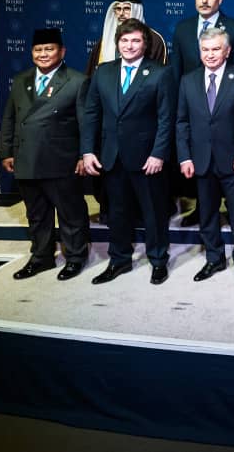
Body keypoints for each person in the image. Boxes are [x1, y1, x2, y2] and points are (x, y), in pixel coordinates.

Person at [81, 19, 177, 285]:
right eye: (124, 41)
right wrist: (87, 151)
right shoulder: (103, 72)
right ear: (117, 43)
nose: (129, 46)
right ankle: (119, 260)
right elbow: (91, 113)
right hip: (112, 157)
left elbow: (166, 118)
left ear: (144, 44)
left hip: (148, 158)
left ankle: (158, 260)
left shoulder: (160, 73)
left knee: (153, 213)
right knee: (117, 213)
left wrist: (158, 153)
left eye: (135, 40)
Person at [0, 28, 90, 281]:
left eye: (49, 49)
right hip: (26, 158)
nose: (43, 54)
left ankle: (75, 257)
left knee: (70, 212)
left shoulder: (76, 81)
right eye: (38, 50)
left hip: (61, 158)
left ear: (62, 52)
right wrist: (7, 151)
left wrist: (85, 155)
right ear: (31, 53)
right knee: (36, 214)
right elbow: (10, 118)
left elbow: (86, 123)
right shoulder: (20, 80)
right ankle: (42, 257)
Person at [175, 28, 234, 284]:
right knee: (207, 214)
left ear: (227, 51)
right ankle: (214, 259)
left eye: (215, 49)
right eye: (205, 49)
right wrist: (184, 157)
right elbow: (181, 122)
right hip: (200, 160)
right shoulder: (188, 80)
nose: (210, 54)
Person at [171, 0, 234, 73]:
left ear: (220, 0)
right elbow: (175, 69)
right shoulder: (182, 28)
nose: (204, 1)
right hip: (188, 87)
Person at [87, 0, 167, 73]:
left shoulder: (154, 39)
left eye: (126, 8)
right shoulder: (105, 39)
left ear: (136, 10)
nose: (121, 13)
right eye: (118, 9)